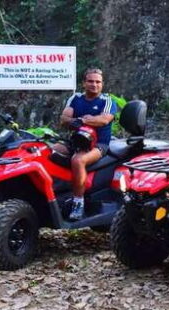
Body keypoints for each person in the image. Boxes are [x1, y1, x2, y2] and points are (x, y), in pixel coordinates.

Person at [55, 68, 117, 221]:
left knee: (78, 160)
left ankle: (78, 202)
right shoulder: (75, 99)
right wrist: (80, 120)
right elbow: (64, 119)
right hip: (75, 140)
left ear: (102, 84)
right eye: (90, 81)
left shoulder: (107, 101)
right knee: (47, 150)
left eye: (98, 82)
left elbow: (104, 120)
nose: (94, 85)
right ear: (84, 83)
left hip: (98, 144)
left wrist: (81, 120)